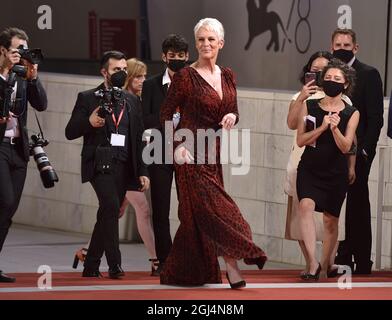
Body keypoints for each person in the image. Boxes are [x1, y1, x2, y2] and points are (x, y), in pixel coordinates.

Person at [159, 18, 267, 288]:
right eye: (201, 39)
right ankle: (232, 267)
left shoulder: (228, 75)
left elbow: (234, 110)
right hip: (190, 154)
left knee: (195, 215)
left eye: (210, 39)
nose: (205, 44)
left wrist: (231, 115)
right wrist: (176, 146)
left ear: (221, 43)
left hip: (214, 153)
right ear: (196, 43)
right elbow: (165, 113)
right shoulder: (185, 76)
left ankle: (182, 272)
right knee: (217, 210)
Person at [65, 51, 150, 279]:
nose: (121, 73)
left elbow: (139, 138)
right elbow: (70, 131)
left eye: (124, 69)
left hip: (124, 164)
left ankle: (90, 264)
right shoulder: (87, 97)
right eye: (116, 70)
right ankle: (115, 264)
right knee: (111, 205)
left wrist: (142, 171)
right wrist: (89, 122)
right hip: (98, 162)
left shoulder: (132, 101)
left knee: (107, 212)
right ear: (104, 72)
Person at [284, 51, 354, 277]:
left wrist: (351, 165)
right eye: (324, 75)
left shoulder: (350, 108)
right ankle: (312, 263)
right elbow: (295, 128)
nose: (329, 81)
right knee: (304, 208)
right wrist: (303, 98)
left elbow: (349, 145)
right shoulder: (305, 100)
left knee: (331, 220)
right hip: (307, 165)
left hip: (335, 169)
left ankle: (326, 263)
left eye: (336, 78)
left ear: (345, 84)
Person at [331, 28, 384, 274]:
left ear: (356, 47)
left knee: (358, 204)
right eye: (338, 44)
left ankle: (362, 260)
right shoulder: (328, 75)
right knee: (335, 204)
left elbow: (375, 119)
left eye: (346, 44)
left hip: (359, 151)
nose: (342, 47)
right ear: (332, 46)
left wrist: (365, 152)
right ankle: (340, 255)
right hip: (331, 151)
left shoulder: (370, 74)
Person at [0, 27, 47, 283]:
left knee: (9, 210)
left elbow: (41, 104)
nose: (21, 54)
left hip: (19, 147)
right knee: (5, 201)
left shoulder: (23, 76)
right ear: (3, 50)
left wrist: (33, 76)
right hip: (0, 146)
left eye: (24, 49)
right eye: (18, 49)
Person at [141, 34, 189, 273]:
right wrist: (169, 119)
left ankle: (186, 257)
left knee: (187, 208)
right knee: (160, 209)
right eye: (172, 56)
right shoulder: (150, 85)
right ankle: (165, 259)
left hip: (186, 153)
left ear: (187, 57)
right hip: (158, 151)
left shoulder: (194, 81)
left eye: (181, 56)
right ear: (164, 57)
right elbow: (145, 117)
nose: (177, 60)